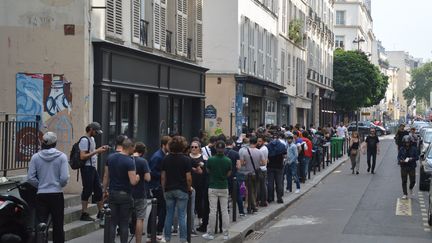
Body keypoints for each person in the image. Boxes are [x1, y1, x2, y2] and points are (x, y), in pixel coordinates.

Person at [27, 132, 69, 243]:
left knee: (40, 224)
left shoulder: (35, 157)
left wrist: (40, 185)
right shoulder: (62, 157)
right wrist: (59, 185)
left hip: (41, 194)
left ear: (43, 143)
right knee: (58, 224)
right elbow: (64, 178)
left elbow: (30, 178)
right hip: (56, 194)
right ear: (55, 143)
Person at [102, 138, 140, 243]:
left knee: (112, 222)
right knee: (124, 223)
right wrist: (137, 177)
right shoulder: (129, 161)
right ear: (130, 147)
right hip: (125, 195)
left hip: (113, 193)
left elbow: (106, 176)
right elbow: (133, 181)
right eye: (134, 148)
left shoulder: (110, 158)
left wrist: (104, 191)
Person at [161, 136, 192, 243]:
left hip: (169, 189)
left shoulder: (166, 158)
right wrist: (189, 188)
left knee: (169, 214)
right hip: (182, 189)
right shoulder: (186, 159)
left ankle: (167, 237)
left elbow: (163, 176)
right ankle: (183, 239)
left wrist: (163, 188)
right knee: (182, 215)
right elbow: (188, 178)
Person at [202, 141, 232, 240]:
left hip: (213, 186)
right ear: (224, 149)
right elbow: (229, 173)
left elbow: (208, 171)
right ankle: (226, 233)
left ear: (215, 148)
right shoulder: (228, 160)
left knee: (213, 211)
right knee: (224, 211)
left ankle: (210, 233)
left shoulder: (210, 160)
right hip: (223, 186)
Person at [80, 122, 109, 221]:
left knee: (98, 189)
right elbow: (83, 156)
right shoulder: (84, 140)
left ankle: (100, 211)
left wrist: (99, 149)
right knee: (87, 190)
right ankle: (84, 212)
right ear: (91, 129)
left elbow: (91, 152)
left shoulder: (92, 139)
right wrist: (97, 151)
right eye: (96, 132)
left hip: (92, 167)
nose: (96, 134)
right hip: (87, 168)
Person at [147, 136, 172, 237]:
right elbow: (152, 172)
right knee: (159, 209)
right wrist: (164, 174)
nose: (170, 147)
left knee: (159, 209)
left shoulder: (162, 155)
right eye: (169, 145)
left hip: (159, 185)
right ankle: (156, 231)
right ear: (164, 145)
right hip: (157, 186)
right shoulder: (158, 157)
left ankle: (154, 230)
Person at [239, 136, 265, 214]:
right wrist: (258, 163)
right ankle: (253, 205)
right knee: (255, 190)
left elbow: (242, 163)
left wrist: (246, 163)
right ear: (256, 142)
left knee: (249, 189)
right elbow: (264, 163)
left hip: (247, 173)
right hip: (256, 173)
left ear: (249, 142)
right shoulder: (259, 151)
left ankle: (252, 205)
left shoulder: (244, 152)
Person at [131, 142, 151, 243]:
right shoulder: (143, 161)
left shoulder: (128, 159)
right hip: (140, 193)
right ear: (143, 152)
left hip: (128, 192)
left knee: (125, 218)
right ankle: (138, 241)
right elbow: (148, 178)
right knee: (140, 218)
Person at [224, 138, 245, 216]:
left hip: (224, 177)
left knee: (225, 194)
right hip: (233, 177)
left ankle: (226, 209)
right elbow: (239, 166)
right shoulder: (236, 153)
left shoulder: (222, 152)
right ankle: (241, 211)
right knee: (237, 195)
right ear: (232, 144)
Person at [266, 133, 286, 204]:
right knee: (279, 183)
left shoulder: (268, 146)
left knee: (270, 183)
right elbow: (285, 155)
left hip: (270, 166)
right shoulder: (282, 145)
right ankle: (279, 198)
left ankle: (270, 198)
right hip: (279, 166)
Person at [256, 135, 269, 206]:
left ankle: (262, 201)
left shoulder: (262, 150)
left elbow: (262, 162)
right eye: (258, 141)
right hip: (263, 169)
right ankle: (263, 201)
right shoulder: (263, 148)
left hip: (261, 169)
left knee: (261, 186)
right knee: (262, 185)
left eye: (260, 141)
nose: (258, 142)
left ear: (263, 141)